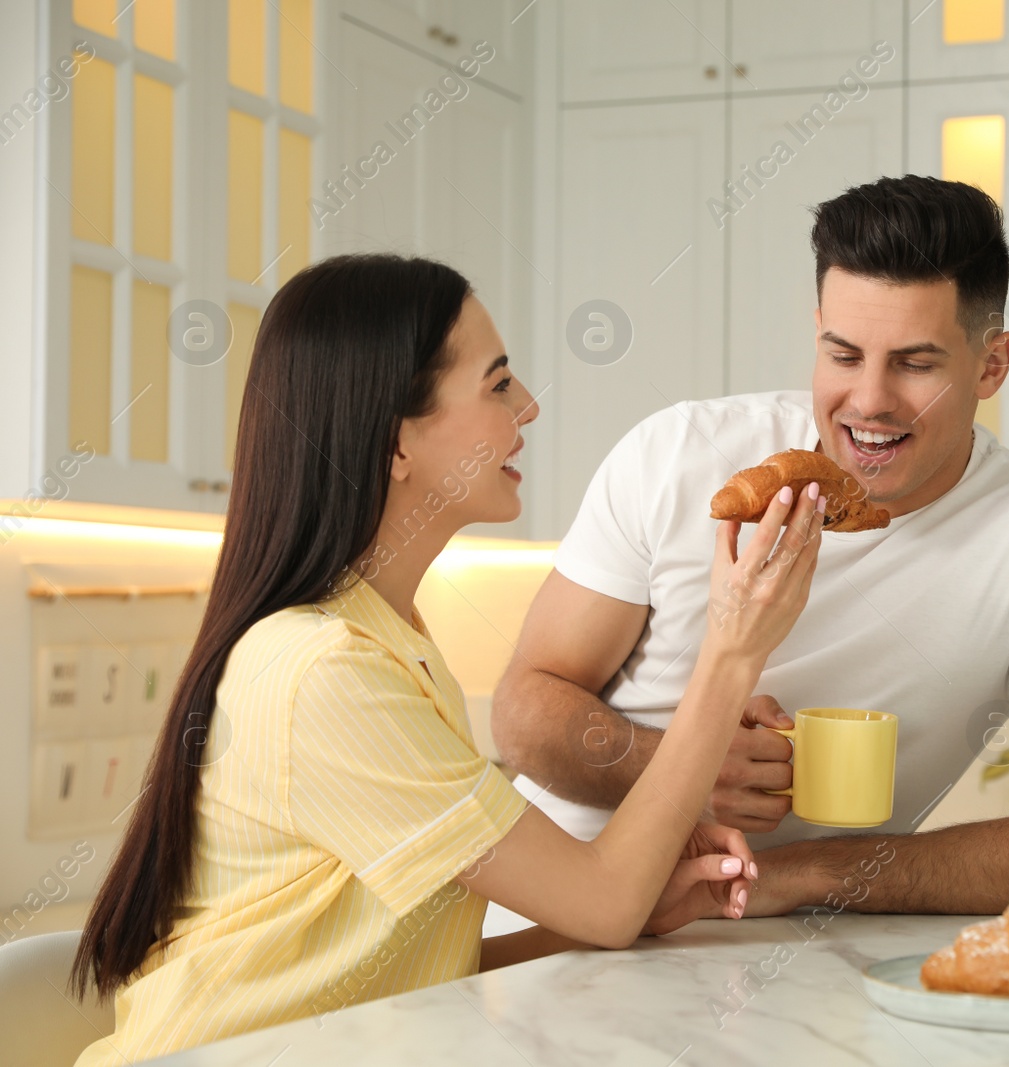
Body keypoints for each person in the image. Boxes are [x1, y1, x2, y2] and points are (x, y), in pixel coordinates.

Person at [69, 254, 822, 1064]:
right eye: (498, 385)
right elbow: (601, 897)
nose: (528, 406)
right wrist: (733, 646)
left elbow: (408, 971)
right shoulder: (325, 672)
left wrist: (638, 909)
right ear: (398, 440)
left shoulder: (389, 640)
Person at [492, 175, 1009, 918]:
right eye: (843, 355)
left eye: (916, 363)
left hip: (795, 953)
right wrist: (680, 766)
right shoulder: (678, 456)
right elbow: (521, 713)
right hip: (544, 924)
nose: (869, 400)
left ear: (992, 364)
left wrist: (802, 875)